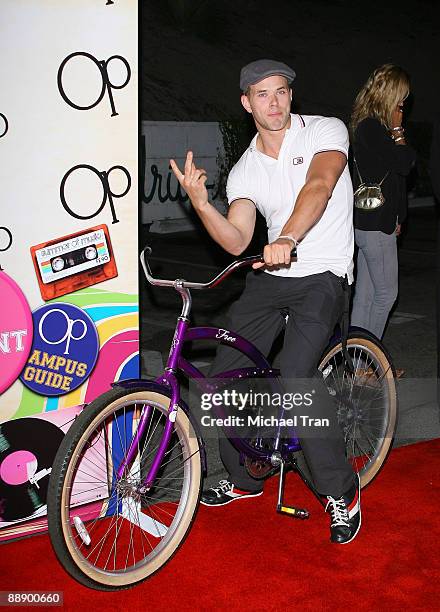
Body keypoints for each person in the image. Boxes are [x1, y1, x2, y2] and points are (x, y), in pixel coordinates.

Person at [170, 59, 360, 544]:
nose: (272, 103)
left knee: (296, 378)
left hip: (321, 272)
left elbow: (319, 185)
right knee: (219, 377)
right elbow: (236, 240)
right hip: (271, 276)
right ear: (246, 102)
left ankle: (342, 491)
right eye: (261, 95)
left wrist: (290, 237)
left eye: (280, 92)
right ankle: (244, 477)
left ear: (290, 96)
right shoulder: (245, 169)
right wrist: (200, 203)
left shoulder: (324, 130)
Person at [350, 64, 416, 341]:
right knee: (386, 294)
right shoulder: (372, 127)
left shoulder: (371, 126)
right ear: (389, 94)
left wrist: (398, 217)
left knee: (366, 297)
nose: (404, 102)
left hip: (374, 222)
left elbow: (394, 180)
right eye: (401, 97)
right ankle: (369, 359)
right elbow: (404, 163)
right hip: (374, 224)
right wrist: (399, 130)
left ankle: (357, 362)